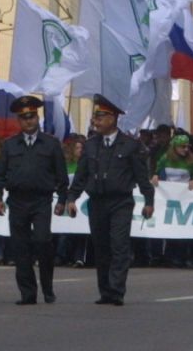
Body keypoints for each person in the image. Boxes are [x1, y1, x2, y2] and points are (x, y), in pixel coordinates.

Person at [62, 96, 154, 306]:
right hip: (97, 202)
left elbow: (142, 176)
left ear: (112, 118)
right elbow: (81, 175)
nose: (96, 120)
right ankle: (105, 291)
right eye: (95, 116)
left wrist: (149, 201)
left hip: (121, 202)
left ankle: (116, 290)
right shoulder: (91, 144)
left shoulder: (130, 145)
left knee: (119, 245)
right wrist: (72, 198)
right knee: (101, 247)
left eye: (100, 116)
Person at [0, 95, 67, 305]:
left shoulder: (51, 144)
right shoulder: (9, 145)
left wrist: (62, 199)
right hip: (17, 201)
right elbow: (0, 175)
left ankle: (48, 288)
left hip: (41, 200)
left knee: (43, 242)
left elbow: (61, 176)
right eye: (24, 117)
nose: (28, 121)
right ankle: (28, 293)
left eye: (32, 116)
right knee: (20, 248)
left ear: (37, 117)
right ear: (18, 120)